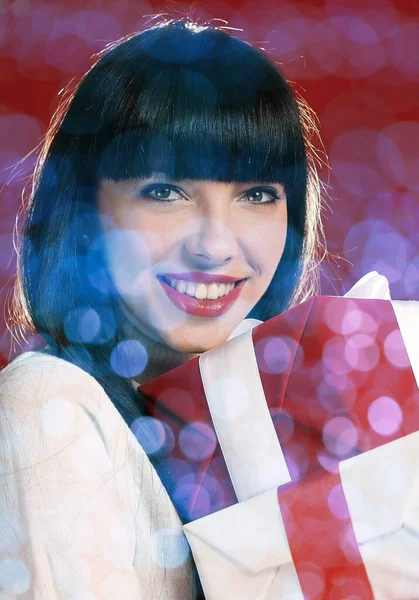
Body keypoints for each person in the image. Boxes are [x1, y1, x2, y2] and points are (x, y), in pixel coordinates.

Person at [0, 16, 325, 599]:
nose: (216, 246)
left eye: (256, 195)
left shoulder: (256, 418)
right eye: (164, 192)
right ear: (81, 212)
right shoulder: (48, 406)